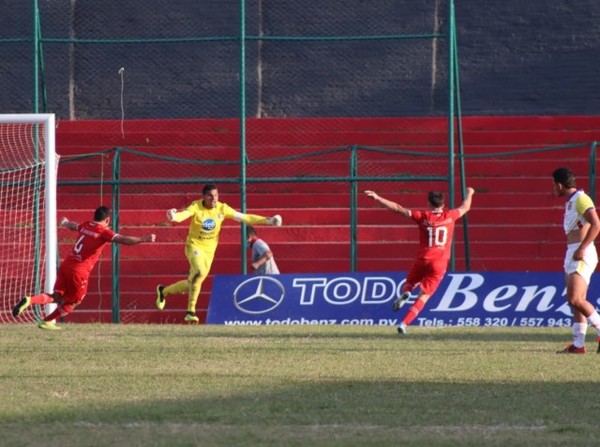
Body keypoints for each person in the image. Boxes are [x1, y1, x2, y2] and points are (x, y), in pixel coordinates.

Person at [12, 206, 156, 330]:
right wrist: (144, 239)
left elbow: (74, 226)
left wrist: (65, 222)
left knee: (57, 296)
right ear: (107, 220)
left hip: (66, 265)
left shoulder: (87, 225)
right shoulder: (103, 231)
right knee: (75, 301)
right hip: (78, 271)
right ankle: (47, 320)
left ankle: (30, 300)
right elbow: (123, 240)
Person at [155, 183, 282, 323]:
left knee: (194, 281)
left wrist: (268, 220)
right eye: (210, 196)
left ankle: (164, 291)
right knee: (200, 271)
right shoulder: (196, 206)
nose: (214, 198)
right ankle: (190, 311)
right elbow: (184, 215)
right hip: (194, 246)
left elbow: (245, 217)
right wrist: (173, 216)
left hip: (209, 252)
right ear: (203, 196)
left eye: (216, 195)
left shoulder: (222, 208)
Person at [365, 187, 475, 334]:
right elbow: (466, 206)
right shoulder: (451, 215)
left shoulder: (422, 216)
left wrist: (378, 198)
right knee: (424, 295)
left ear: (429, 204)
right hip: (440, 263)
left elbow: (398, 209)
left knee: (409, 282)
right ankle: (404, 324)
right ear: (443, 204)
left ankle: (407, 292)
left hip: (423, 258)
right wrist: (470, 193)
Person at [552, 167, 600, 354]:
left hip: (582, 251)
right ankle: (578, 344)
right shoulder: (572, 201)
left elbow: (596, 224)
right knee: (576, 300)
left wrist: (581, 248)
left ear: (559, 184)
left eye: (553, 185)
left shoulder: (581, 198)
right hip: (573, 251)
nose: (553, 189)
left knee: (575, 298)